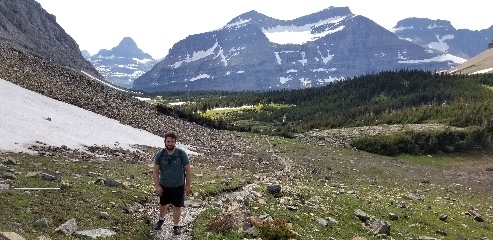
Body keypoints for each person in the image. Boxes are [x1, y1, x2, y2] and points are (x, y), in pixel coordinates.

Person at [152, 132, 191, 235]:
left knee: (177, 206)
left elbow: (188, 169)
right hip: (164, 184)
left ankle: (176, 226)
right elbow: (155, 171)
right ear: (164, 141)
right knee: (163, 204)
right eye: (168, 141)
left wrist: (188, 186)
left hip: (178, 185)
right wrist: (157, 186)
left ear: (175, 142)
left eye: (172, 142)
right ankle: (161, 220)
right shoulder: (160, 154)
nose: (170, 144)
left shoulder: (181, 154)